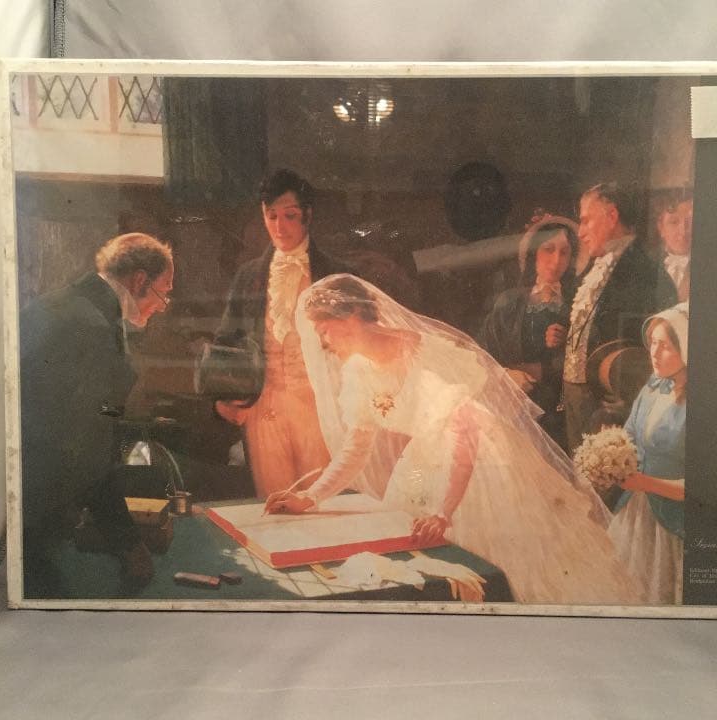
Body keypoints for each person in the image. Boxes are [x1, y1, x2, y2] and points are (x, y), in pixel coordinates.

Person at [264, 274, 644, 605]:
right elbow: (355, 449)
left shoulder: (426, 352)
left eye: (324, 330)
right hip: (425, 462)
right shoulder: (358, 372)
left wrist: (445, 511)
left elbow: (465, 430)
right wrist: (310, 497)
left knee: (501, 565)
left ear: (349, 318)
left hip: (480, 461)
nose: (323, 342)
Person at [20, 232, 174, 598]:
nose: (162, 306)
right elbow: (87, 454)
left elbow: (80, 410)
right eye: (163, 293)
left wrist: (114, 412)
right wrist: (129, 544)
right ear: (139, 280)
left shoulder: (53, 304)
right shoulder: (94, 328)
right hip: (35, 514)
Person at [213, 169, 348, 498]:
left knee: (323, 504)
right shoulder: (249, 276)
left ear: (307, 216)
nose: (279, 226)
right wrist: (223, 398)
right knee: (274, 503)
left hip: (319, 409)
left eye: (289, 216)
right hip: (265, 410)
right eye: (271, 216)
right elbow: (226, 341)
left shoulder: (337, 273)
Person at [563, 182, 657, 452]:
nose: (580, 232)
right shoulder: (596, 263)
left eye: (586, 221)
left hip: (608, 402)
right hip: (575, 394)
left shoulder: (642, 269)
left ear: (612, 216)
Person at [608, 303, 688, 604]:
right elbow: (628, 436)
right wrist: (607, 459)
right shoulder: (653, 388)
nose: (654, 353)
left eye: (665, 346)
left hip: (672, 525)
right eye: (653, 343)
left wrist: (644, 483)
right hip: (635, 514)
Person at [479, 214, 579, 448]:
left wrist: (566, 344)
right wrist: (506, 373)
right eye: (548, 250)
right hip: (513, 407)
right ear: (534, 253)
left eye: (564, 253)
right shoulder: (510, 301)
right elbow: (481, 351)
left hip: (558, 415)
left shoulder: (576, 303)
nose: (556, 261)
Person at [654, 191, 692, 309]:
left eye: (691, 222)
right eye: (674, 222)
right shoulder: (649, 264)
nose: (683, 231)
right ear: (661, 228)